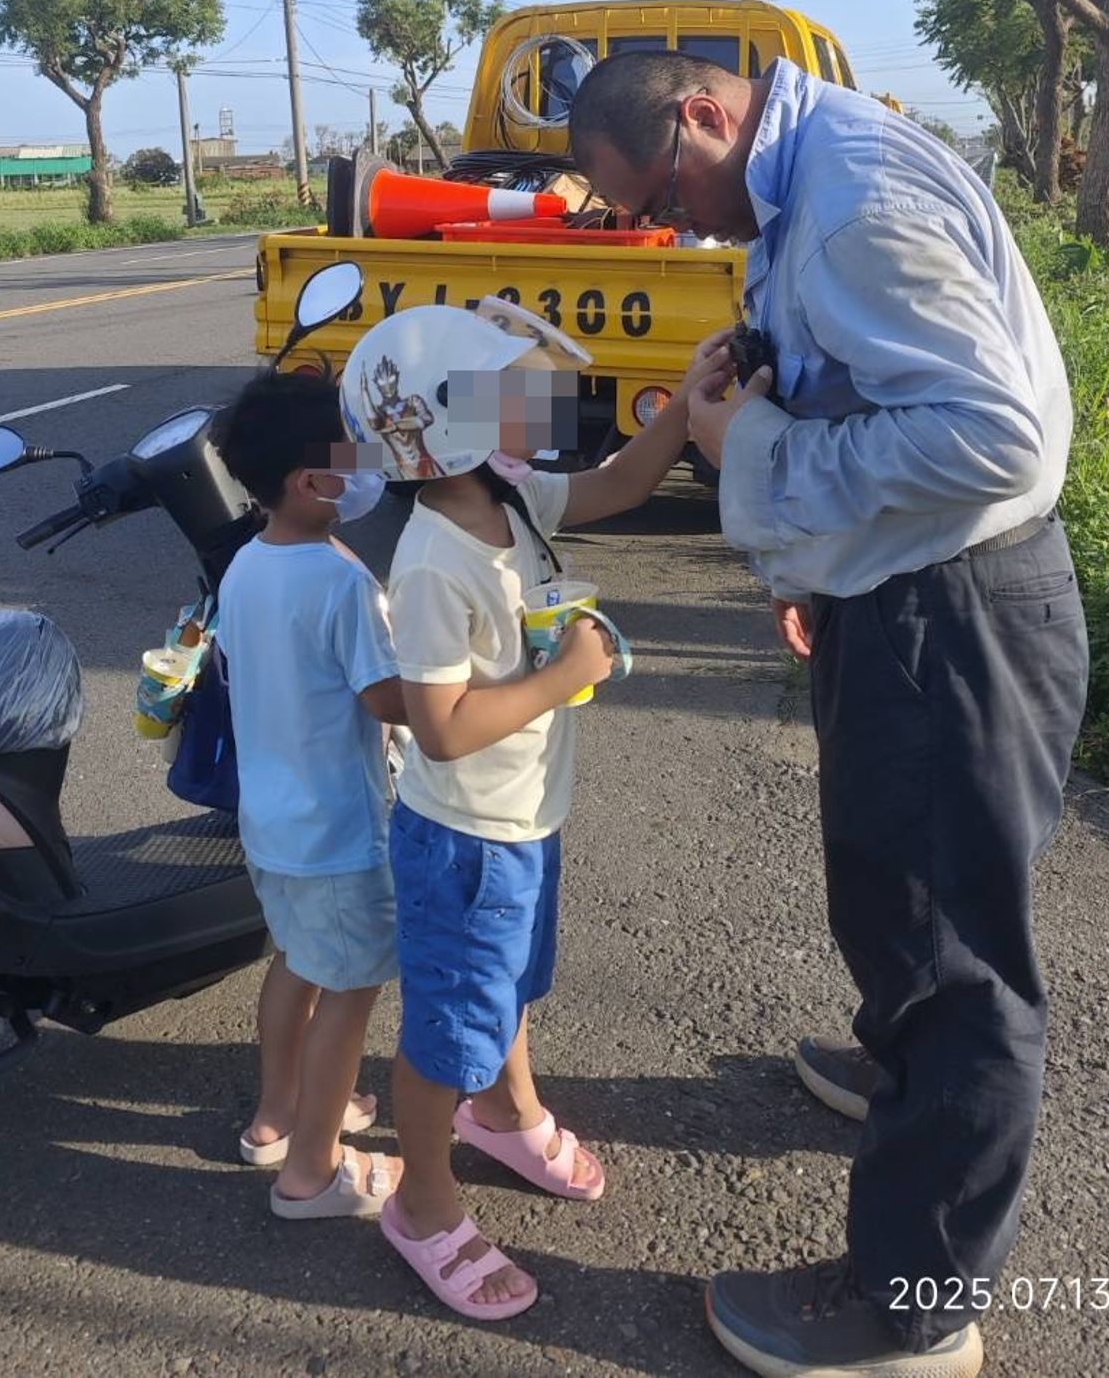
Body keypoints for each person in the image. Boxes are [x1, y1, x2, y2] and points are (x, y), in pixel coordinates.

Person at [569, 50, 1089, 1378]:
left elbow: (994, 439)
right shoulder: (800, 181)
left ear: (704, 115)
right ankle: (901, 1079)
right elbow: (862, 380)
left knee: (950, 951)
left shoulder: (852, 195)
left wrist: (757, 454)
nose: (678, 227)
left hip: (951, 607)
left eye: (670, 193)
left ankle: (912, 1308)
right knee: (895, 894)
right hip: (907, 590)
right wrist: (805, 549)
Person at [340, 299, 729, 1322]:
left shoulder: (507, 495)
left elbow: (621, 481)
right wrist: (567, 675)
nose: (538, 400)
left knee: (508, 982)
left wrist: (686, 405)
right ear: (446, 423)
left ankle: (505, 1112)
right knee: (445, 1031)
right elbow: (441, 727)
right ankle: (423, 1204)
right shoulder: (431, 558)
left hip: (521, 816)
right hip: (465, 837)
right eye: (509, 389)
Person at [214, 372, 408, 1221]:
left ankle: (278, 1114)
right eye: (351, 452)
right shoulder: (341, 584)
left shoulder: (247, 565)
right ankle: (313, 1173)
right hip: (338, 831)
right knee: (353, 991)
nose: (367, 465)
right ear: (307, 481)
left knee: (298, 962)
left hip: (272, 822)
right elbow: (388, 701)